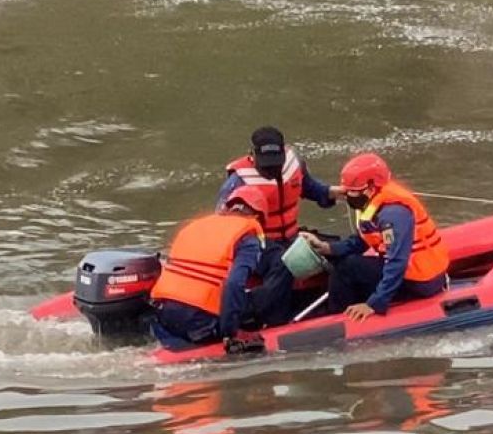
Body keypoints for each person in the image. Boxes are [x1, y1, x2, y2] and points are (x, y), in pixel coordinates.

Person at [303, 153, 449, 321]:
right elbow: (363, 240)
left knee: (347, 268)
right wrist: (328, 248)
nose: (347, 195)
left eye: (352, 191)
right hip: (411, 273)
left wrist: (374, 304)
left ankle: (336, 317)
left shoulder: (393, 214)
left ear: (370, 188)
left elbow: (397, 262)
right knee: (344, 260)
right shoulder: (373, 203)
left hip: (420, 281)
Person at [150, 186, 290, 351]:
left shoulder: (195, 226)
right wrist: (231, 333)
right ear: (258, 217)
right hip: (200, 320)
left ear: (227, 207)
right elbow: (234, 284)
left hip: (163, 313)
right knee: (254, 300)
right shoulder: (248, 237)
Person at [215, 125, 341, 245]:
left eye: (277, 163)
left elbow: (308, 187)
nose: (273, 169)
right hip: (261, 245)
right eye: (267, 165)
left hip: (292, 237)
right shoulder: (238, 181)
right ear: (252, 154)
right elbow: (223, 226)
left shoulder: (293, 164)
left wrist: (332, 192)